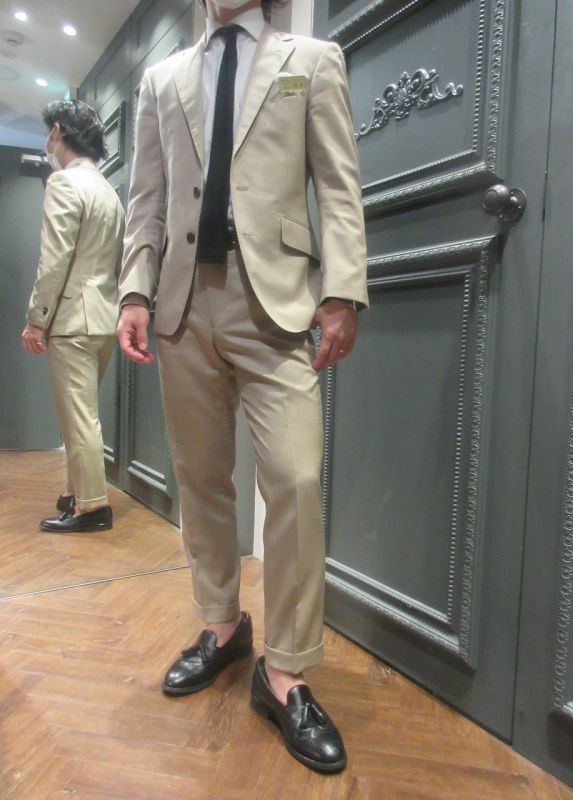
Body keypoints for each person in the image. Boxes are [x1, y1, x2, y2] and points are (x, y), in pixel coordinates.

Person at [118, 0, 367, 773]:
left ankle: (285, 671)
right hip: (181, 301)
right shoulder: (161, 78)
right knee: (200, 476)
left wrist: (343, 290)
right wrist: (133, 290)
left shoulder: (311, 60)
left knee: (294, 478)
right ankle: (222, 625)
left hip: (277, 304)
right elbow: (146, 197)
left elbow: (338, 185)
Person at [22, 99, 125, 533]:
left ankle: (93, 507)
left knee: (78, 418)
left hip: (71, 321)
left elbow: (54, 259)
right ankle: (75, 493)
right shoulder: (108, 191)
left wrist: (37, 318)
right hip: (103, 318)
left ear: (57, 132)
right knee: (81, 414)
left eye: (47, 132)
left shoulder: (64, 183)